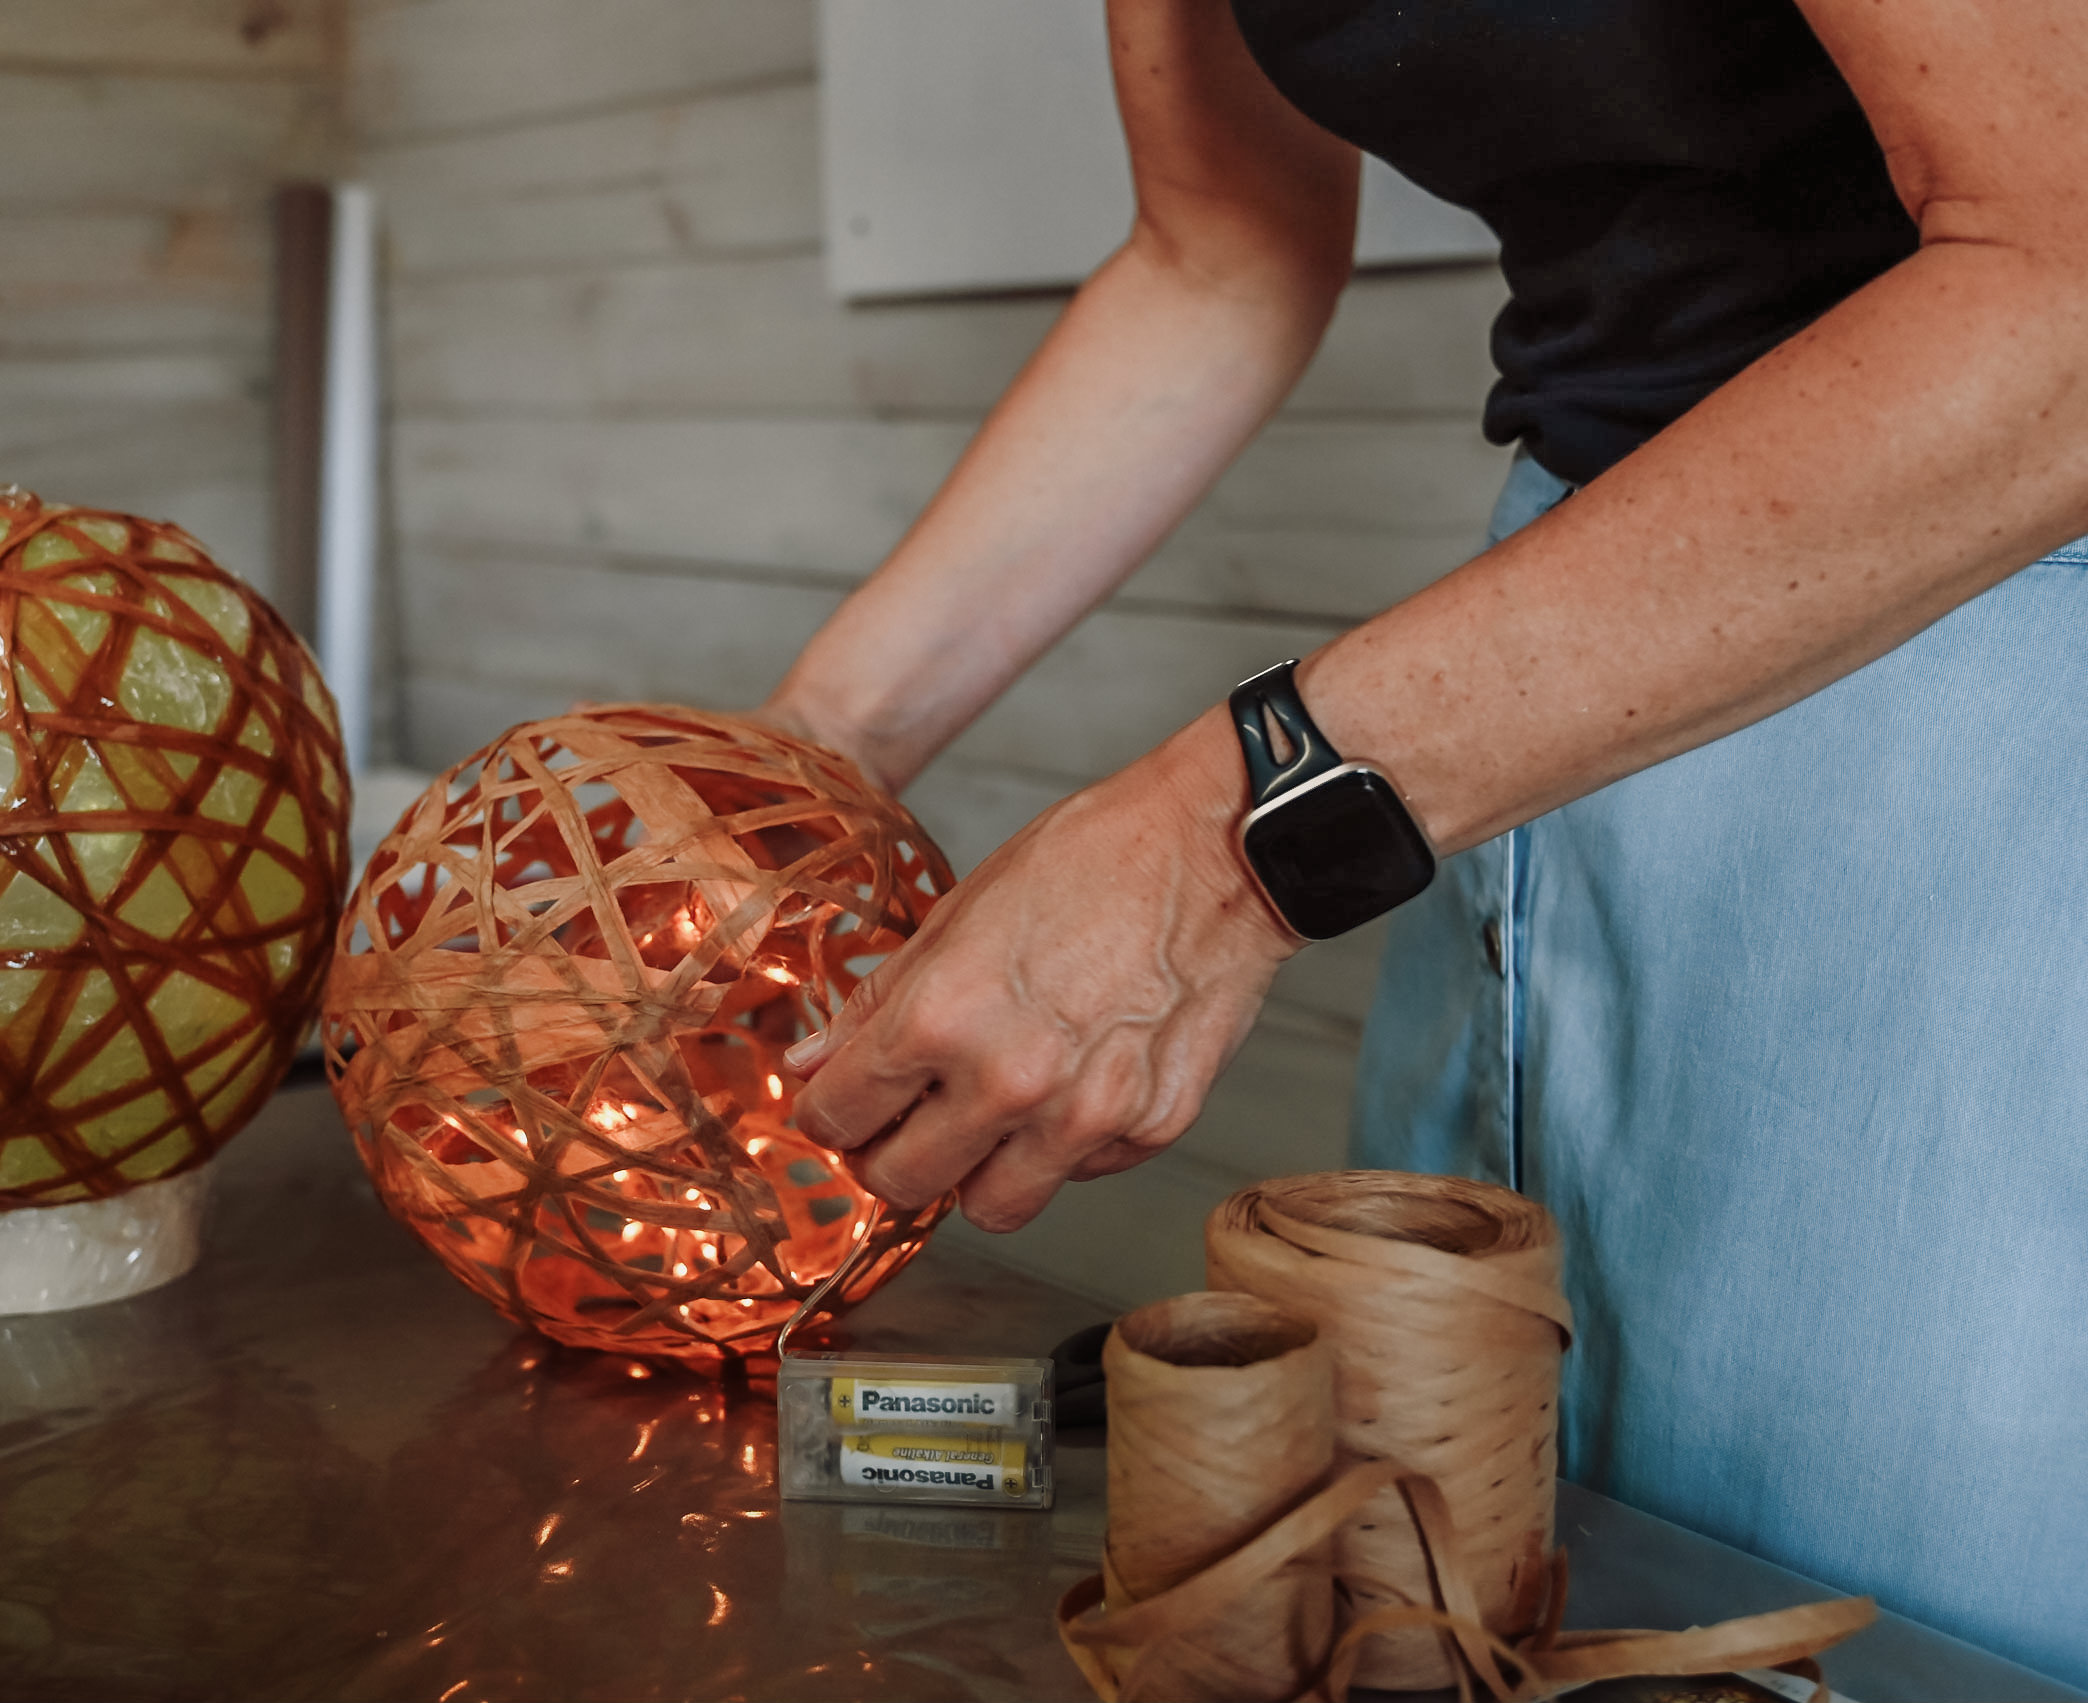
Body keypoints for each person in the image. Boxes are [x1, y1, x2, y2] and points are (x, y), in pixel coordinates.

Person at [758, 0, 2088, 1683]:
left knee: (1846, 1612)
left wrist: (1214, 843)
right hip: (1541, 672)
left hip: (1985, 608)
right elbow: (1220, 253)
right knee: (1450, 1550)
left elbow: (2070, 276)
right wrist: (807, 756)